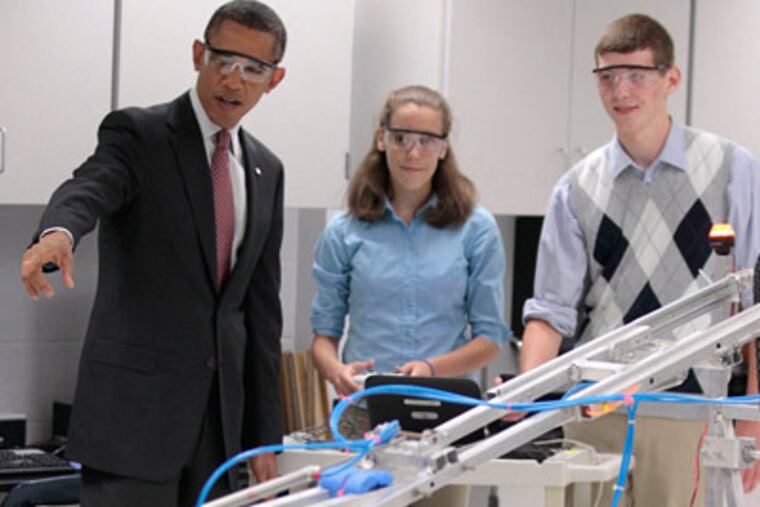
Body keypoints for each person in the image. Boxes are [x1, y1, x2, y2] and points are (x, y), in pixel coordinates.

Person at [19, 1, 286, 505]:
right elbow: (90, 186)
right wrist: (59, 232)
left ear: (274, 79)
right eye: (223, 60)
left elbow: (260, 315)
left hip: (221, 436)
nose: (234, 80)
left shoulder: (265, 170)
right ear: (197, 55)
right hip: (133, 430)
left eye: (254, 69)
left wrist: (264, 435)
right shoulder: (139, 134)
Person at [519, 13, 760, 507]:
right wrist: (529, 407)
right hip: (596, 412)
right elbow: (550, 310)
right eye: (607, 77)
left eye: (636, 75)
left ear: (671, 79)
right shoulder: (577, 187)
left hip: (693, 411)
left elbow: (757, 301)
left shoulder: (733, 169)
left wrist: (754, 411)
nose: (620, 91)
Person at [310, 85, 510, 395]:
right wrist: (336, 371)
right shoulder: (344, 231)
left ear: (444, 148)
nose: (413, 153)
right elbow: (324, 336)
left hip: (446, 405)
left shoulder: (476, 228)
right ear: (381, 139)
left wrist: (431, 369)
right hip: (366, 403)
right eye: (401, 138)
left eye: (427, 141)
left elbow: (490, 340)